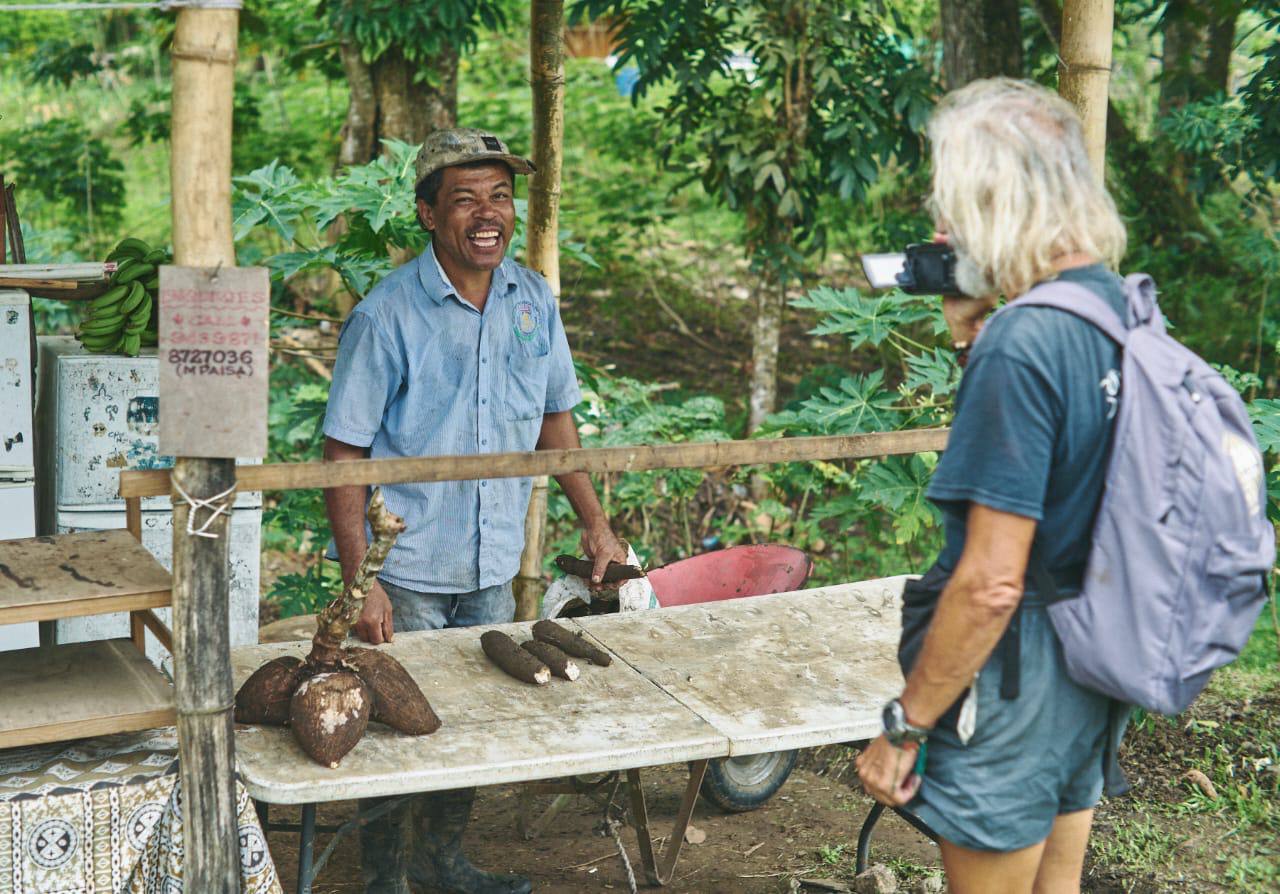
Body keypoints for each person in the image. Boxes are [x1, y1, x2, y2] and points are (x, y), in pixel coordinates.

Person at [323, 127, 628, 894]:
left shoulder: (532, 298)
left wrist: (594, 521)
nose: (487, 213)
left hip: (491, 565)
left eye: (500, 196)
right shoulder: (387, 315)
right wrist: (364, 581)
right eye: (465, 199)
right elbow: (342, 458)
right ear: (428, 214)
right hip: (410, 570)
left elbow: (556, 417)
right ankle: (385, 879)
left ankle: (442, 862)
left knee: (467, 724)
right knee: (400, 728)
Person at [856, 78, 1131, 894]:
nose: (945, 230)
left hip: (1018, 670)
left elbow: (990, 584)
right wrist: (981, 320)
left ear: (988, 197)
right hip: (1093, 651)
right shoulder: (1111, 306)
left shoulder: (1025, 343)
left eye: (953, 204)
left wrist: (906, 726)